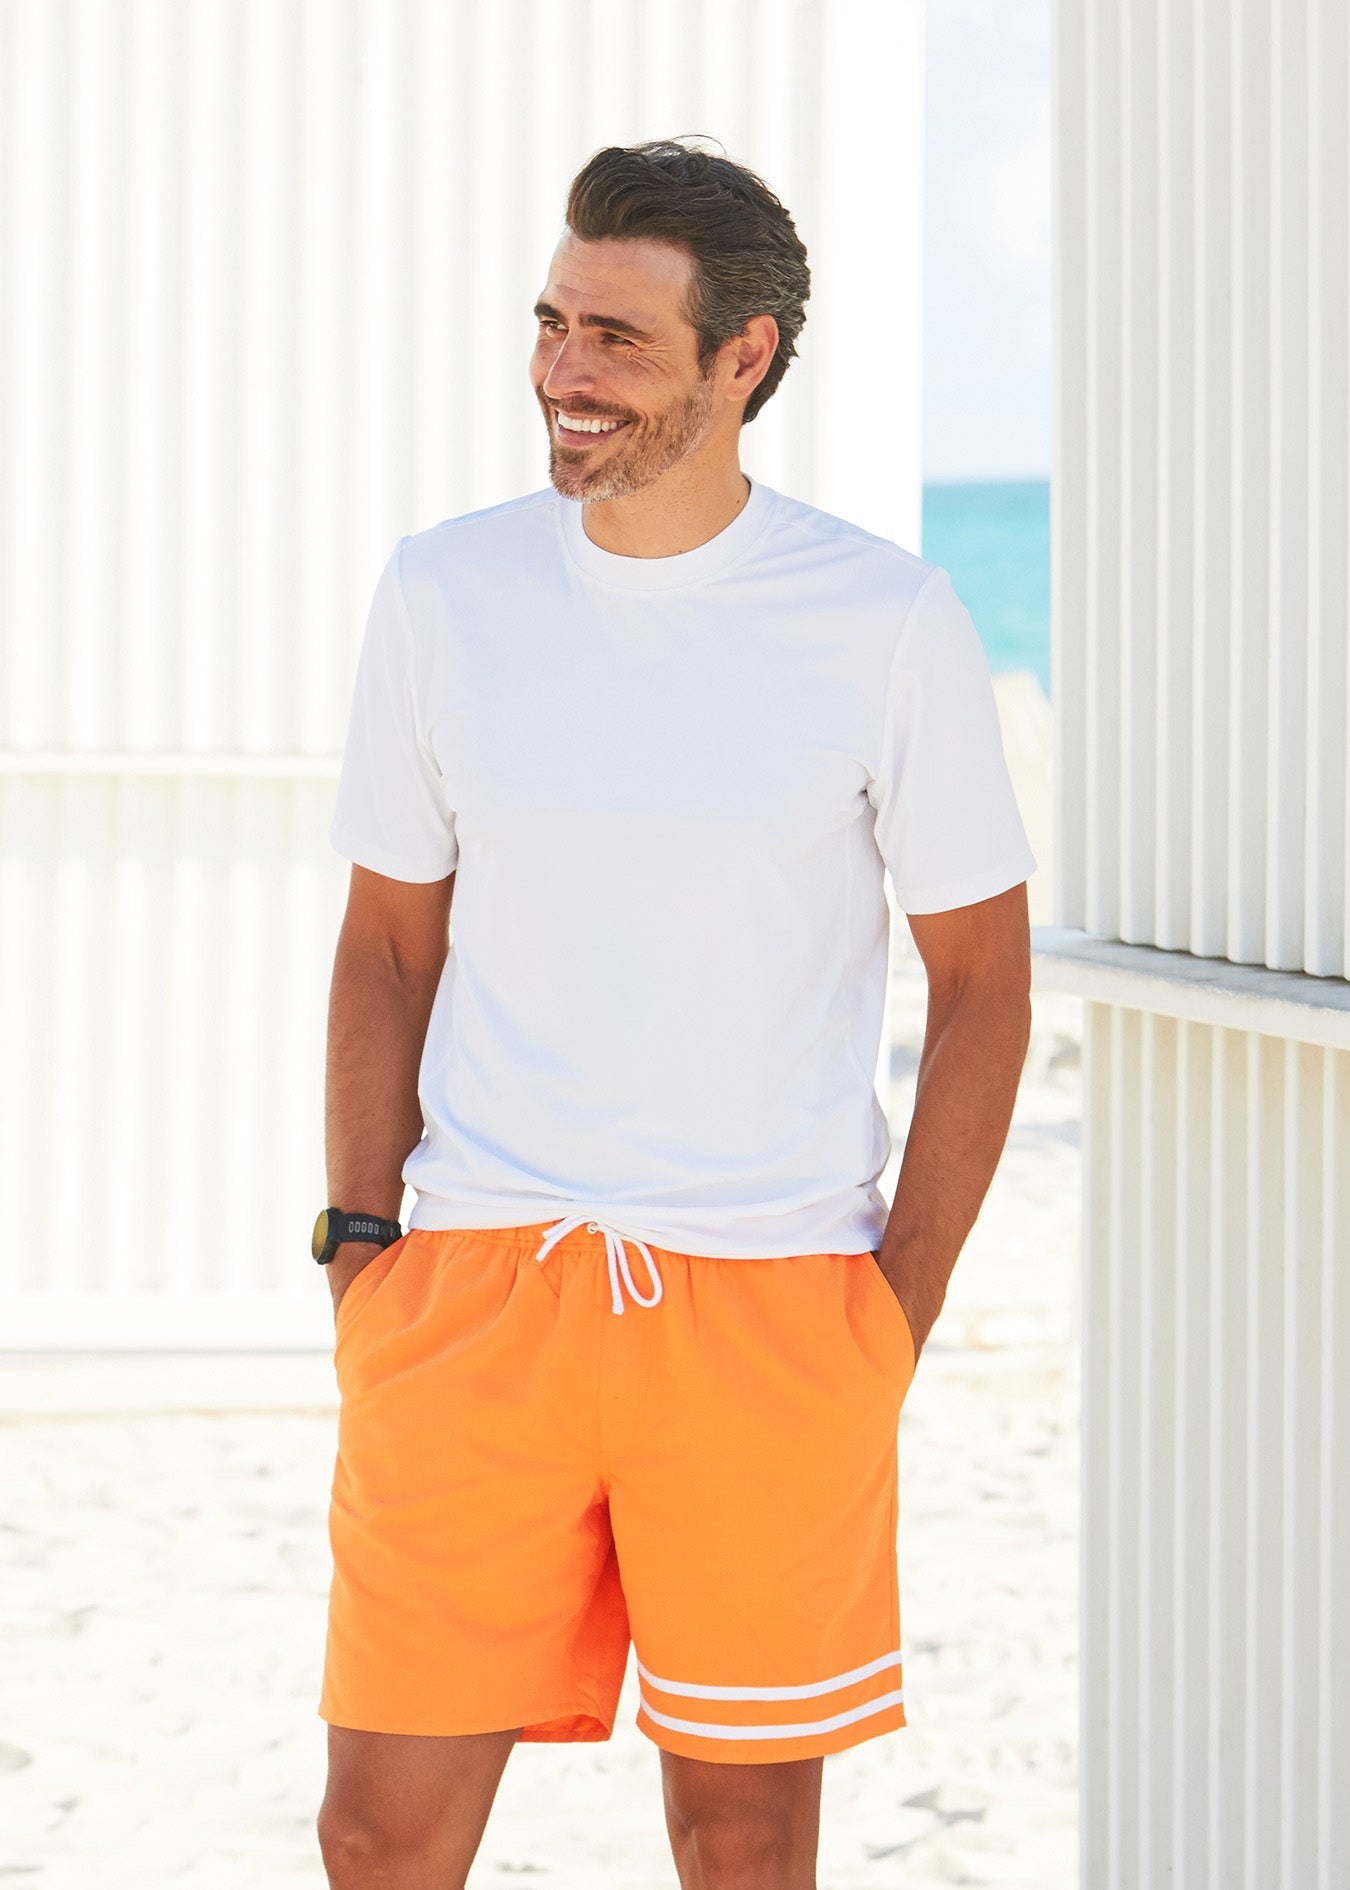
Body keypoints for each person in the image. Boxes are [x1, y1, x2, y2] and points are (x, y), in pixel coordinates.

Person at [313, 137, 1037, 1890]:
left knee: (738, 1833)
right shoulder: (446, 590)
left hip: (772, 1308)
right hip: (478, 1291)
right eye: (555, 323)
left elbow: (983, 984)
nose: (566, 371)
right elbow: (388, 941)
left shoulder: (882, 619)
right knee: (377, 1831)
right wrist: (361, 1237)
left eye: (620, 340)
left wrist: (895, 1310)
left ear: (744, 358)